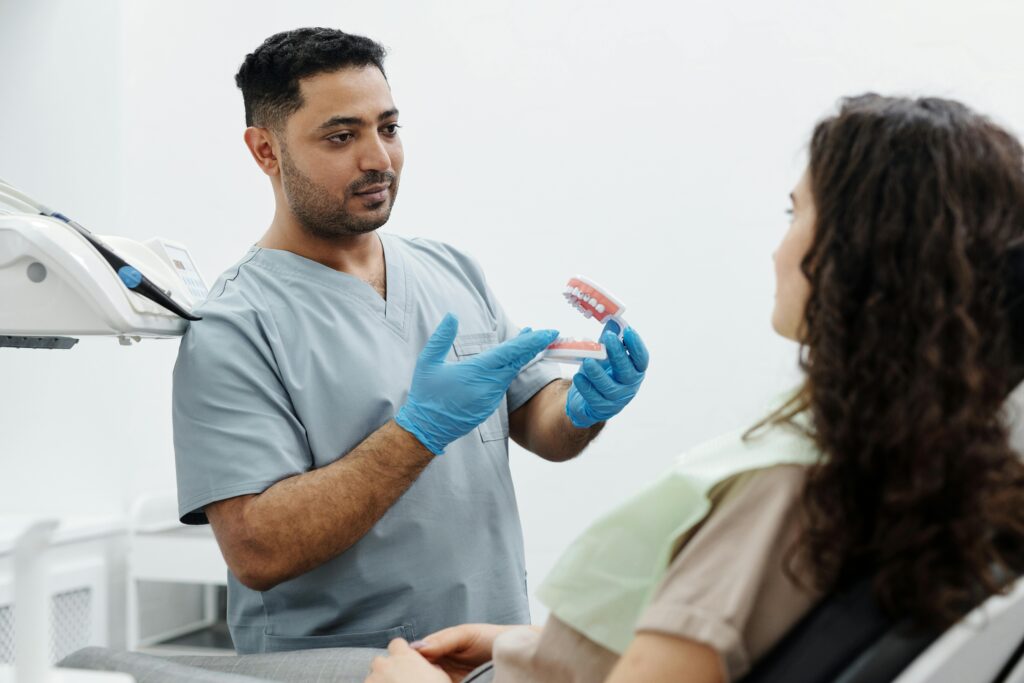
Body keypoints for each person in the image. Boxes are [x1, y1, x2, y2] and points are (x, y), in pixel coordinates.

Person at [362, 94, 1024, 683]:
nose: (775, 249)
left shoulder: (786, 487)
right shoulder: (940, 465)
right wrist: (532, 649)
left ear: (855, 255)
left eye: (794, 213)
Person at [171, 28, 650, 654]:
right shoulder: (234, 324)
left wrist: (585, 407)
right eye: (342, 137)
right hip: (356, 667)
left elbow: (538, 423)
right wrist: (417, 432)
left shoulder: (450, 270)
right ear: (266, 151)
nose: (379, 159)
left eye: (389, 128)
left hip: (490, 652)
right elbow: (257, 549)